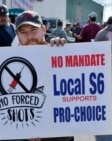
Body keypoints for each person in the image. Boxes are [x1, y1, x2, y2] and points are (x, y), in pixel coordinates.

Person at [15, 10, 72, 141]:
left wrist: (64, 51)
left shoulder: (59, 52)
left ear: (44, 29)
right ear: (18, 36)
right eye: (23, 32)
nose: (29, 37)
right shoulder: (13, 62)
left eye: (33, 30)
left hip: (61, 134)